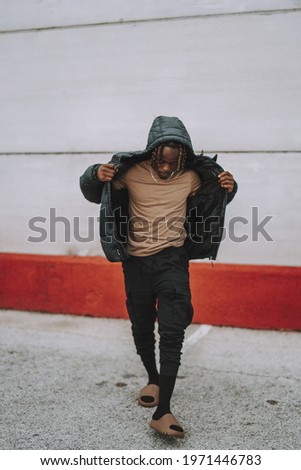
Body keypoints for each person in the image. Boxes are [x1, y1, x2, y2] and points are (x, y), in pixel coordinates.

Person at [80, 115, 237, 438]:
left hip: (172, 259)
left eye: (173, 164)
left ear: (183, 158)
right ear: (152, 153)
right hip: (135, 262)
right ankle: (152, 377)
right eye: (162, 163)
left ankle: (162, 409)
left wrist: (230, 188)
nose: (167, 169)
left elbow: (214, 199)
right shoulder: (131, 172)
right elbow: (95, 192)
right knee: (140, 324)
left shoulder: (193, 176)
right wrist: (95, 174)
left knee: (172, 329)